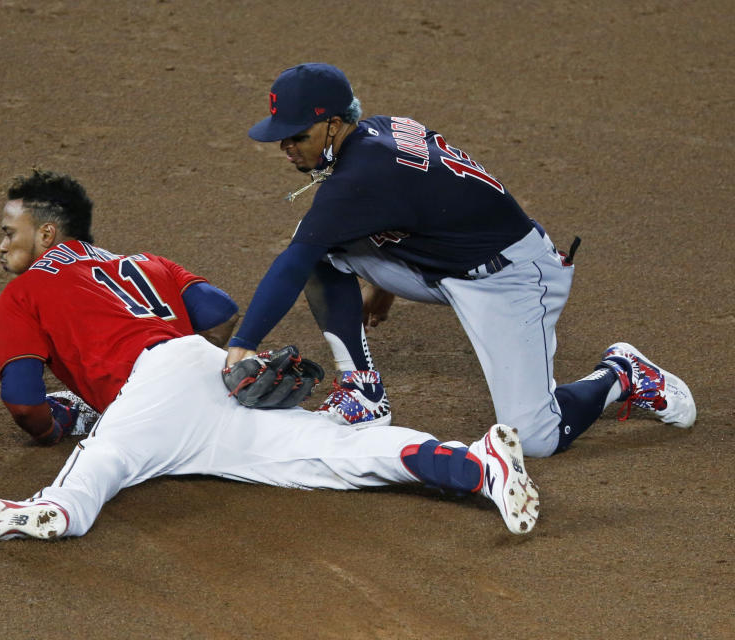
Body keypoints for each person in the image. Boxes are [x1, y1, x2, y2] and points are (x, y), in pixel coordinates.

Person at [0, 168, 540, 541]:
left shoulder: (23, 291)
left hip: (152, 388)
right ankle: (476, 465)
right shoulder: (145, 262)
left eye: (10, 231)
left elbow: (23, 401)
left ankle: (54, 509)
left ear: (48, 235)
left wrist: (53, 420)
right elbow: (218, 312)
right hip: (210, 373)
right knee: (331, 451)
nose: (2, 244)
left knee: (101, 463)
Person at [227, 62, 696, 457]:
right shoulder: (378, 132)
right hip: (443, 264)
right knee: (320, 248)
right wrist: (384, 286)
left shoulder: (362, 175)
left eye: (296, 137)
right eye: (280, 139)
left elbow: (293, 262)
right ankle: (362, 391)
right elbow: (421, 208)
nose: (286, 148)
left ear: (332, 124)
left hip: (512, 278)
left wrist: (243, 344)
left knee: (536, 438)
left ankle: (623, 373)